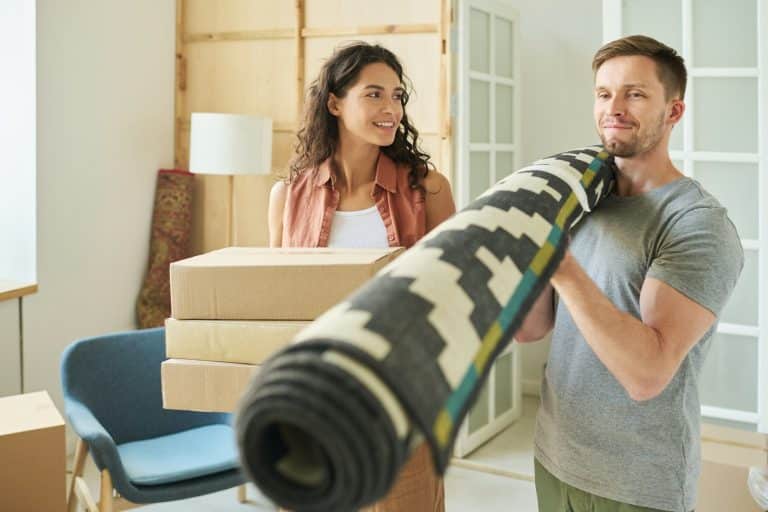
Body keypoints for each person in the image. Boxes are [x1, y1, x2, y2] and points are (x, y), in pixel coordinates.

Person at [515, 35, 744, 512]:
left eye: (635, 94)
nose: (613, 107)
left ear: (674, 112)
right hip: (554, 459)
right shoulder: (581, 200)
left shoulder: (697, 223)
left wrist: (561, 264)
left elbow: (647, 374)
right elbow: (530, 328)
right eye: (604, 93)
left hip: (637, 485)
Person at [268, 42, 455, 512]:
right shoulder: (287, 197)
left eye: (397, 97)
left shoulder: (427, 188)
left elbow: (451, 294)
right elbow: (275, 306)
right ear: (335, 102)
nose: (390, 109)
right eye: (374, 94)